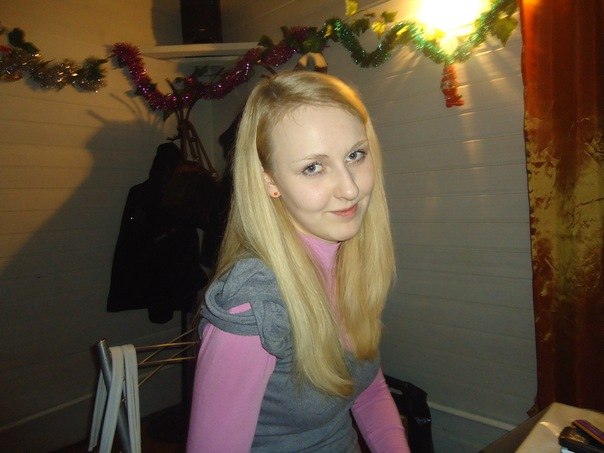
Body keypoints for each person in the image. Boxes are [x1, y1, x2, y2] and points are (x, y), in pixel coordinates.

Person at [187, 71, 411, 452]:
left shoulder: (348, 261)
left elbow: (367, 388)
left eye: (355, 155)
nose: (350, 188)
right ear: (269, 181)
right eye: (313, 167)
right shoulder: (253, 304)